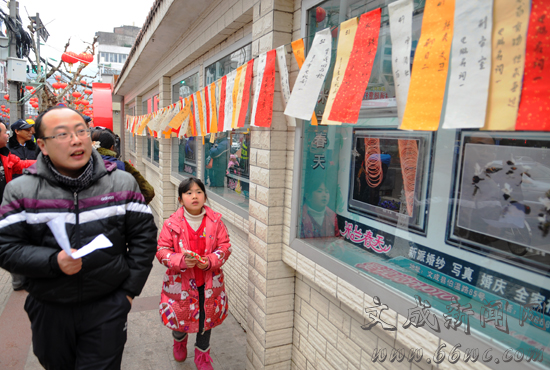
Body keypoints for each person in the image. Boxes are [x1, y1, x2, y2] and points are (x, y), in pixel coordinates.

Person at [0, 106, 158, 369]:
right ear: (43, 145)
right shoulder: (21, 190)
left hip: (108, 305)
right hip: (49, 308)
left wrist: (127, 293)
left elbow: (144, 237)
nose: (76, 140)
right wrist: (53, 261)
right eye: (62, 134)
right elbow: (6, 247)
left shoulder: (121, 183)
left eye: (81, 131)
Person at [156, 177, 231, 369]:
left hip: (208, 284)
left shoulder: (216, 222)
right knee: (180, 319)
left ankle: (202, 357)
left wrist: (210, 261)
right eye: (188, 193)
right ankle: (179, 341)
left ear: (205, 196)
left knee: (206, 322)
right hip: (180, 283)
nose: (194, 196)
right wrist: (180, 260)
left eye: (198, 192)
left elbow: (225, 247)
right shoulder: (171, 224)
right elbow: (162, 251)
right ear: (181, 200)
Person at [0, 121, 35, 291]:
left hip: (9, 204)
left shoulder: (5, 154)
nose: (6, 135)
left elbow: (20, 165)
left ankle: (19, 277)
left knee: (15, 239)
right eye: (3, 133)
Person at [91, 128, 155, 204]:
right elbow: (149, 192)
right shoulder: (124, 166)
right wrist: (133, 207)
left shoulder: (83, 166)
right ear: (111, 147)